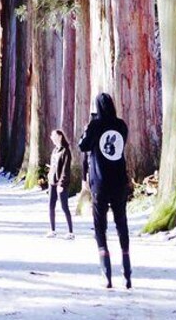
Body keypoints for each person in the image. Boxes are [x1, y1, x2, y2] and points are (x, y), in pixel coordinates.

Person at [79, 93, 131, 289]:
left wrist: (87, 130)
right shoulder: (121, 125)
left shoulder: (95, 125)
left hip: (100, 183)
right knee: (121, 223)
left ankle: (106, 272)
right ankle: (127, 270)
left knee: (100, 225)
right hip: (119, 181)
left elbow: (83, 145)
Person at [46, 129, 74, 239]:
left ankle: (70, 232)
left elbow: (65, 170)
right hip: (52, 182)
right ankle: (52, 230)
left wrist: (61, 184)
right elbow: (53, 165)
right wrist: (49, 175)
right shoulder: (55, 151)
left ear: (60, 136)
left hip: (61, 184)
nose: (51, 138)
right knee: (51, 205)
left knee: (64, 206)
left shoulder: (65, 151)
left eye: (53, 136)